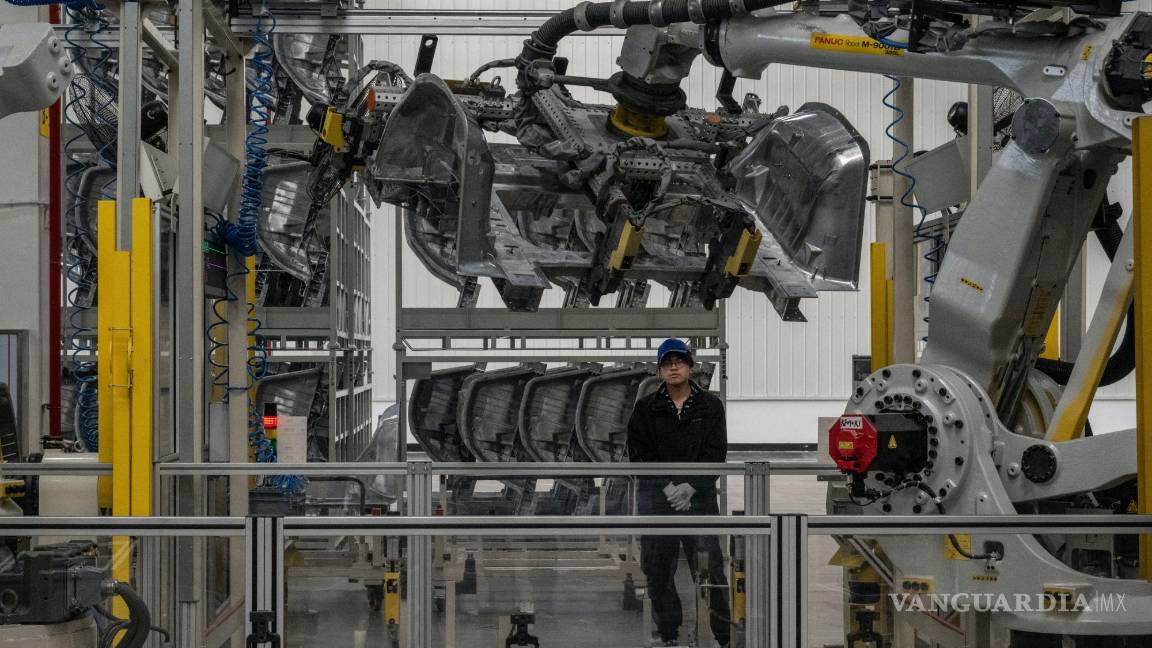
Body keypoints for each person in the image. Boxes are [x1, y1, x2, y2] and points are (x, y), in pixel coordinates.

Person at [628, 338, 730, 648]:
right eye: (667, 363)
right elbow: (640, 454)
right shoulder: (646, 408)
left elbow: (715, 452)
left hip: (699, 501)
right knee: (658, 570)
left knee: (711, 570)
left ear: (690, 367)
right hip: (659, 502)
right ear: (659, 370)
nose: (674, 367)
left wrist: (690, 486)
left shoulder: (710, 406)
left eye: (679, 362)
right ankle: (670, 634)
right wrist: (669, 487)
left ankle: (725, 636)